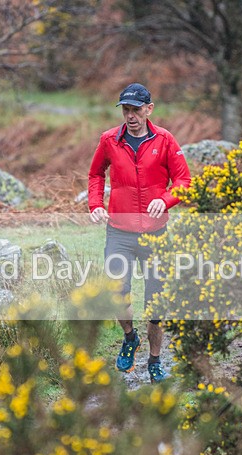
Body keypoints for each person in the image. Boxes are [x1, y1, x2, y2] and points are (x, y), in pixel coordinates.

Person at [88, 82, 191, 383]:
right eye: (126, 110)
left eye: (136, 110)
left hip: (154, 234)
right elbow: (96, 173)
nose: (130, 116)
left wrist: (166, 198)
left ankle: (155, 359)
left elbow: (184, 180)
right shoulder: (109, 140)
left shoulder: (165, 140)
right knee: (117, 292)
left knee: (156, 304)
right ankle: (130, 337)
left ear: (149, 109)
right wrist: (95, 204)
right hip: (119, 231)